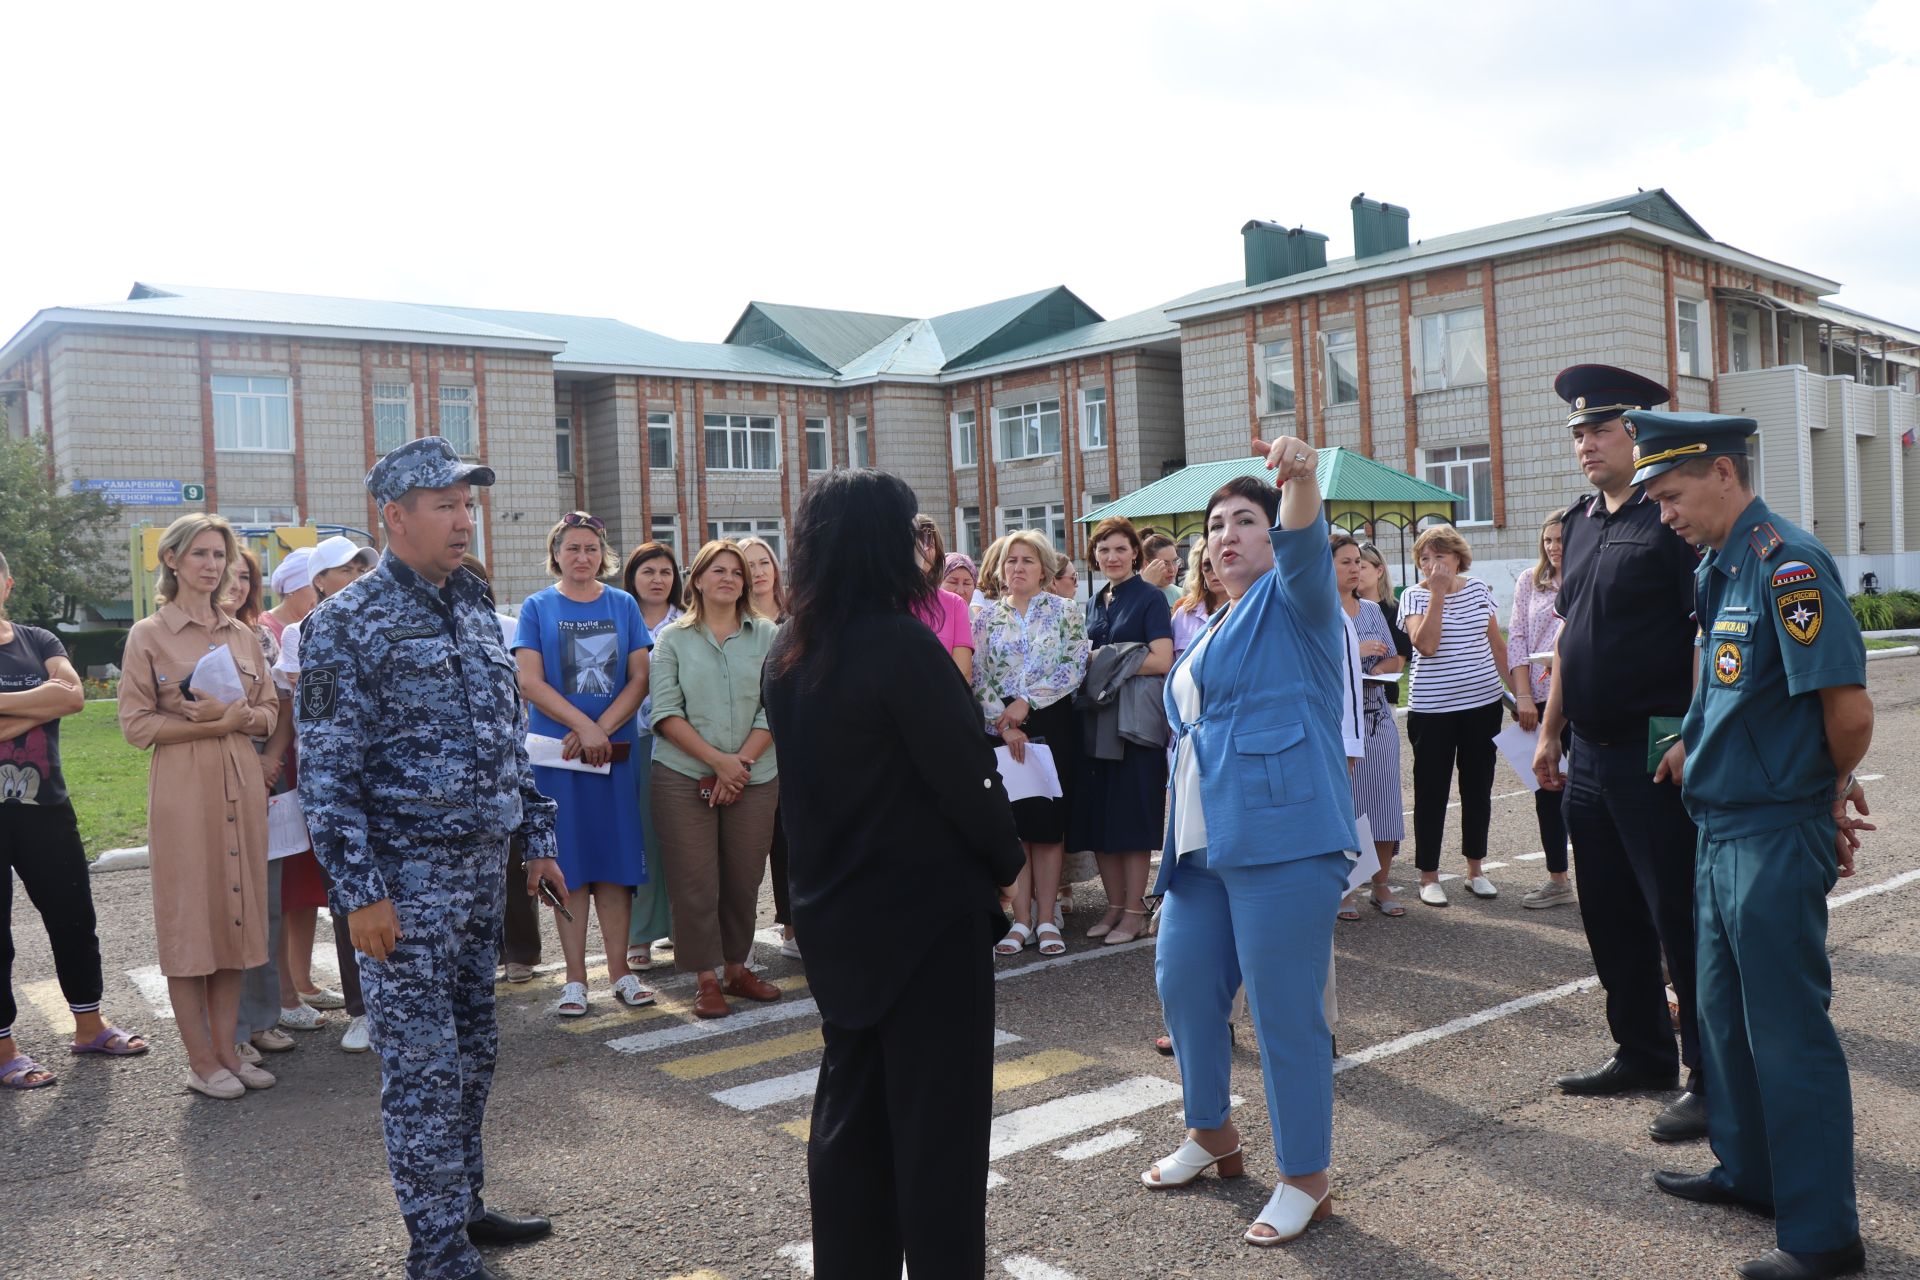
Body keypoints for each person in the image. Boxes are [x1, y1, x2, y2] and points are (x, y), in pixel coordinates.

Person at [298, 436, 561, 1280]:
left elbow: (506, 736)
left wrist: (538, 840)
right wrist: (361, 894)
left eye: (468, 503)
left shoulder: (475, 605)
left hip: (481, 873)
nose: (463, 518)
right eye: (445, 505)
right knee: (420, 1070)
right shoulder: (345, 623)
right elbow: (326, 774)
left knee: (473, 1051)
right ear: (396, 516)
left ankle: (465, 1208)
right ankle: (436, 1250)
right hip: (403, 888)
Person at [763, 469, 1025, 1280]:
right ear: (886, 542)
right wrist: (1007, 862)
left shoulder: (789, 649)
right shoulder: (903, 644)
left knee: (852, 1122)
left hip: (836, 914)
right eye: (912, 530)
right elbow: (965, 777)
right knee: (938, 1134)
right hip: (927, 923)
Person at [1635, 412, 1874, 1280]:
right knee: (1725, 1021)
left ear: (1726, 475)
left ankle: (1822, 1237)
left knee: (1788, 1034)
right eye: (1655, 500)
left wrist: (1824, 793)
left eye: (1672, 495)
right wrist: (1691, 741)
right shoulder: (1717, 569)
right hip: (1719, 826)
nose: (1663, 513)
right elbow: (1722, 682)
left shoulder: (1790, 568)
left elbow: (1848, 713)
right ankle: (1751, 1172)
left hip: (1774, 831)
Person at [1144, 439, 1354, 1247]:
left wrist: (1298, 481)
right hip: (1201, 840)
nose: (1226, 534)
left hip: (1283, 833)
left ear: (1272, 538)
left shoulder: (1295, 600)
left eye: (1244, 520)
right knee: (1185, 982)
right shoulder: (1208, 623)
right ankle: (1212, 1134)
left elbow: (1305, 540)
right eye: (1215, 524)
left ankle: (1306, 1177)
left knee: (1283, 1010)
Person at [1532, 365, 1709, 1145]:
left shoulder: (1669, 517)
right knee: (1608, 916)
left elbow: (1705, 635)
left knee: (1678, 918)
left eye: (1599, 430)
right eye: (1577, 433)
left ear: (1636, 435)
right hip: (1590, 757)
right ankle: (1641, 1052)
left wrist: (1682, 739)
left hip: (1653, 754)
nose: (1585, 444)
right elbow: (1570, 638)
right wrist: (1547, 731)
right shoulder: (1579, 522)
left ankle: (1709, 1075)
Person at [119, 514, 279, 1099]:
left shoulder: (242, 634)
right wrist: (212, 724)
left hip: (241, 780)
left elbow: (269, 713)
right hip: (184, 790)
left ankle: (228, 1052)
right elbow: (136, 726)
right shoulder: (149, 634)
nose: (212, 566)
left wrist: (234, 718)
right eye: (201, 555)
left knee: (237, 918)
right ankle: (201, 1059)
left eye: (220, 556)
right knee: (192, 923)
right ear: (172, 560)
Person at [1, 548, 149, 1090]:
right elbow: (57, 697)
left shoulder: (38, 640)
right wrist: (41, 702)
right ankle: (3, 1049)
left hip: (46, 808)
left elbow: (75, 696)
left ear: (8, 584)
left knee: (72, 918)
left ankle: (89, 1025)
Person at [514, 512, 653, 1016]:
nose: (582, 557)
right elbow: (529, 681)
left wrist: (603, 729)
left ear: (603, 554)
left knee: (614, 866)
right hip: (561, 759)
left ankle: (620, 973)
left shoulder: (623, 604)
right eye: (572, 548)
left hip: (612, 757)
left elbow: (639, 677)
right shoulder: (537, 606)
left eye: (591, 548)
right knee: (566, 865)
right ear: (557, 554)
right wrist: (584, 727)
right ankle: (575, 980)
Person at [649, 540, 783, 1019]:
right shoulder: (672, 639)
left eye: (737, 572)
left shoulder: (769, 635)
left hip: (756, 774)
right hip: (683, 774)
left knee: (744, 879)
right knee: (695, 881)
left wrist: (739, 765)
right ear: (698, 580)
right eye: (718, 570)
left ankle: (736, 968)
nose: (728, 578)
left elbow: (777, 705)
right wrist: (718, 763)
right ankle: (705, 978)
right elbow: (664, 712)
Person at [271, 535, 376, 1054]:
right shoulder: (301, 632)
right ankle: (361, 1010)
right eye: (345, 569)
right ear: (318, 581)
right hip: (337, 785)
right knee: (349, 894)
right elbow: (313, 717)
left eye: (362, 566)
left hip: (393, 788)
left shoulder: (391, 623)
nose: (357, 574)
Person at [971, 530, 1088, 956]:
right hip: (999, 727)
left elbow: (1072, 665)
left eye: (1026, 561)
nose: (1017, 568)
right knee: (1015, 825)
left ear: (1044, 569)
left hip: (1050, 721)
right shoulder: (983, 617)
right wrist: (1004, 724)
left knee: (1047, 827)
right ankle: (1020, 921)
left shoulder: (1064, 611)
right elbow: (977, 675)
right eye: (1010, 561)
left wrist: (1026, 704)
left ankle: (1046, 918)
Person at [1070, 517, 1171, 948]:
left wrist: (1107, 659)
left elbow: (1162, 659)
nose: (1111, 557)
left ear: (1136, 553)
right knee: (1102, 822)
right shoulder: (1094, 601)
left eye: (1119, 549)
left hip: (1133, 725)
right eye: (1103, 550)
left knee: (1133, 821)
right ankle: (1114, 907)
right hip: (1096, 721)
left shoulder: (1151, 598)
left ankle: (1134, 911)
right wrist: (1118, 657)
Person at [1399, 524, 1512, 906]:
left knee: (1478, 787)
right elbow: (1426, 645)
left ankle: (1475, 870)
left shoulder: (1479, 589)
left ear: (1458, 559)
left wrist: (1520, 694)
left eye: (1439, 558)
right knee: (1432, 790)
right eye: (1425, 559)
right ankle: (1428, 875)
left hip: (1482, 704)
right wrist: (1437, 595)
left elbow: (1497, 644)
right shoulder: (1414, 597)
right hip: (1433, 711)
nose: (1432, 566)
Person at [225, 547, 299, 1063]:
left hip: (262, 774)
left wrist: (271, 760)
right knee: (224, 908)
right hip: (211, 775)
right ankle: (229, 1027)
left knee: (265, 904)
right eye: (226, 572)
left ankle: (263, 1018)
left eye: (244, 576)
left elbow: (283, 705)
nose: (234, 583)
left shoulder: (262, 637)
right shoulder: (174, 634)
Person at [1332, 533, 1406, 917]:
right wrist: (1353, 651)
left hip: (1377, 721)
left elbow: (1397, 660)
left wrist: (1381, 666)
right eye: (1345, 562)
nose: (1354, 568)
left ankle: (1381, 884)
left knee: (1384, 807)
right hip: (1339, 727)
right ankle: (1344, 888)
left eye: (1357, 562)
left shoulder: (1374, 611)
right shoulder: (1320, 613)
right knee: (1346, 809)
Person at [621, 541, 684, 973]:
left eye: (665, 572)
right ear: (633, 577)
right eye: (648, 572)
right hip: (634, 743)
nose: (658, 580)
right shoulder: (618, 619)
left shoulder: (687, 622)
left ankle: (686, 931)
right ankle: (639, 935)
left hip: (682, 743)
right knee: (639, 840)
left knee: (683, 842)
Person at [1508, 515, 1571, 908]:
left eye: (1561, 539)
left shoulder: (1587, 577)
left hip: (1582, 699)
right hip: (1541, 701)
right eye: (1547, 539)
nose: (1553, 547)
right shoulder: (1529, 582)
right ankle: (1558, 880)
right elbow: (1516, 637)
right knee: (1547, 791)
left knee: (1588, 792)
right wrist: (1523, 696)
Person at [739, 535, 797, 958]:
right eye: (749, 564)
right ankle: (737, 938)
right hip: (744, 742)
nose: (758, 571)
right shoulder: (730, 618)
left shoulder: (798, 615)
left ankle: (794, 927)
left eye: (765, 562)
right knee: (748, 843)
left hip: (795, 741)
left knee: (791, 839)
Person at [913, 515, 975, 682]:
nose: (923, 550)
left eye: (930, 545)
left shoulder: (954, 604)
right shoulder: (886, 602)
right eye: (915, 542)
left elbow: (963, 675)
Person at [1171, 542, 1224, 660]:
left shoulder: (1253, 611)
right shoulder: (1183, 615)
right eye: (1208, 564)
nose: (1214, 570)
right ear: (1201, 570)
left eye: (1221, 562)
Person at [1141, 532, 1182, 604]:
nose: (1172, 569)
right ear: (1146, 564)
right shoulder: (1130, 595)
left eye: (1175, 561)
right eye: (1165, 563)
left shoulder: (1183, 595)